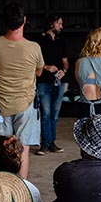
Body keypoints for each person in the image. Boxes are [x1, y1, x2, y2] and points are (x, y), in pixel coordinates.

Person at [0, 3, 44, 178]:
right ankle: (21, 189)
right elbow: (39, 71)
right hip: (26, 104)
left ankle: (2, 187)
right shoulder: (34, 47)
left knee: (1, 149)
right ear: (24, 21)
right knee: (23, 149)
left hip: (2, 104)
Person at [35, 15, 69, 155]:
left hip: (58, 82)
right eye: (59, 23)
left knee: (54, 114)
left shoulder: (61, 42)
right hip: (43, 82)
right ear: (51, 24)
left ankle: (52, 142)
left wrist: (64, 71)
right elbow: (34, 62)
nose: (61, 26)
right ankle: (44, 144)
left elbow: (65, 61)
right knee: (46, 113)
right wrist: (46, 67)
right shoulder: (39, 42)